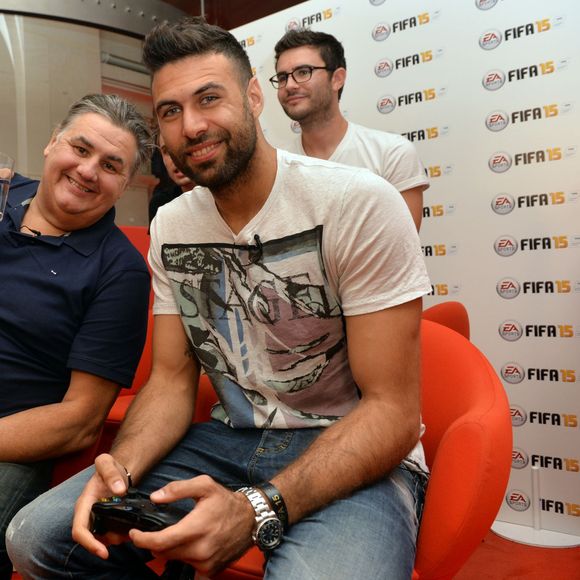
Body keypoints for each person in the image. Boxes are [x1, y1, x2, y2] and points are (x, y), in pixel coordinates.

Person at [7, 18, 431, 580]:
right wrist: (121, 472)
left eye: (210, 98)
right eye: (170, 111)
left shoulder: (357, 202)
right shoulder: (173, 225)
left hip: (352, 449)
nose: (192, 125)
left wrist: (259, 508)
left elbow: (394, 414)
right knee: (38, 539)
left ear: (254, 96)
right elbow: (170, 382)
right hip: (226, 441)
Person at [0, 94, 152, 579]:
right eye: (80, 149)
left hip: (10, 441)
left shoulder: (119, 270)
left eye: (110, 165)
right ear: (50, 144)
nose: (88, 171)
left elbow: (80, 421)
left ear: (124, 185)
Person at [272, 29, 428, 230]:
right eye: (282, 77)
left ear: (337, 78)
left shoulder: (391, 153)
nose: (290, 85)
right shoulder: (276, 166)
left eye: (303, 72)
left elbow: (399, 249)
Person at [148, 132, 195, 224]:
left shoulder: (223, 198)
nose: (175, 159)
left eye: (182, 146)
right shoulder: (160, 205)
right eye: (167, 151)